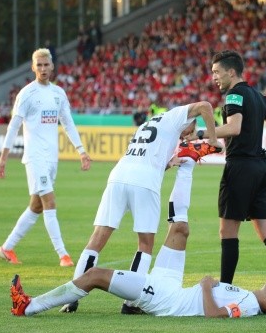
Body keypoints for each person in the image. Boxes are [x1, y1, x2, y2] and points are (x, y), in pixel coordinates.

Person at [10, 151, 266, 318]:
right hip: (173, 286)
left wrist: (208, 286)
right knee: (181, 229)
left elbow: (215, 316)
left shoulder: (249, 307)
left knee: (95, 275)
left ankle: (29, 307)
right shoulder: (248, 297)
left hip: (165, 298)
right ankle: (188, 163)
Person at [59, 101, 223, 314]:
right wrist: (211, 137)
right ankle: (131, 303)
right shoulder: (176, 117)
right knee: (145, 244)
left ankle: (71, 297)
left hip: (118, 176)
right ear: (188, 122)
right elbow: (206, 106)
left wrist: (168, 163)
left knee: (97, 238)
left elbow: (147, 157)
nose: (188, 136)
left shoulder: (150, 123)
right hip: (145, 182)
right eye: (190, 131)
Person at [186, 50, 266, 301]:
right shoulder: (258, 96)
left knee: (228, 232)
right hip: (259, 168)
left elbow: (234, 128)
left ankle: (225, 289)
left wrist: (203, 133)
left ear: (231, 72)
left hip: (240, 168)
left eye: (216, 72)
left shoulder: (234, 94)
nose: (214, 77)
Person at [0, 48, 92, 267]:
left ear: (52, 66)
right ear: (33, 67)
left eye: (46, 64)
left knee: (36, 206)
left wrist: (81, 150)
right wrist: (3, 157)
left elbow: (68, 123)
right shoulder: (27, 94)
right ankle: (63, 255)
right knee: (49, 201)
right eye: (38, 65)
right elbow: (13, 127)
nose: (43, 68)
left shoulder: (58, 93)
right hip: (35, 157)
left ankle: (6, 248)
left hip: (51, 158)